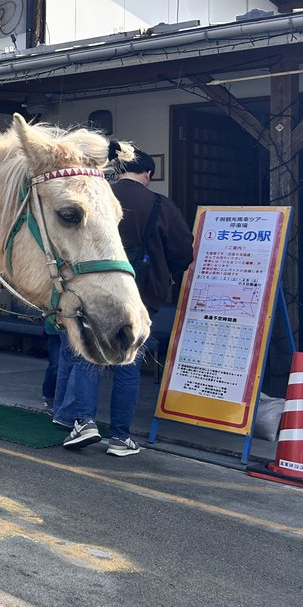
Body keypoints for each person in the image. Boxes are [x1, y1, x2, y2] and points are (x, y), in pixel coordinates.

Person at [53, 142, 194, 456]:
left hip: (93, 289)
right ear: (148, 174)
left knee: (88, 356)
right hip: (141, 293)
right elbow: (183, 252)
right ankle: (120, 438)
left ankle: (84, 423)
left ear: (118, 171)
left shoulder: (99, 196)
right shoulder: (160, 204)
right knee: (128, 362)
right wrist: (163, 270)